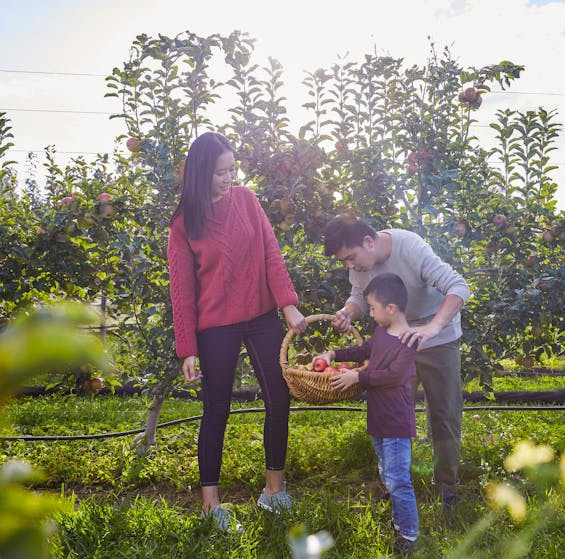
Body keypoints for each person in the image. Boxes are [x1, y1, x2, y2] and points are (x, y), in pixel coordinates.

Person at [167, 131, 307, 531]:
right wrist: (187, 348)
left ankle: (273, 493)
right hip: (216, 326)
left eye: (232, 169)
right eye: (220, 172)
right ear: (200, 173)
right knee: (217, 411)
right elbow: (183, 291)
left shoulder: (247, 200)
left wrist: (288, 304)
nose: (229, 177)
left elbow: (271, 253)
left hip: (262, 315)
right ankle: (212, 507)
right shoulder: (184, 224)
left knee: (279, 398)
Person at [323, 215, 470, 510]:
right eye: (344, 262)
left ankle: (447, 488)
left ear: (368, 241)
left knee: (443, 415)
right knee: (390, 415)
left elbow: (458, 287)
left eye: (351, 257)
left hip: (436, 340)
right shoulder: (359, 266)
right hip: (393, 340)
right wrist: (348, 312)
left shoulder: (410, 247)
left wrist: (432, 327)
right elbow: (359, 297)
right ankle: (395, 483)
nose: (350, 266)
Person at [314, 273, 419, 556]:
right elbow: (363, 350)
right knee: (387, 472)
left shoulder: (409, 341)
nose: (369, 313)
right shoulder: (382, 333)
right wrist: (334, 354)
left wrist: (357, 377)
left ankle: (409, 536)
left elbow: (394, 376)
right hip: (379, 419)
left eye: (372, 308)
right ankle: (398, 519)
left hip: (397, 422)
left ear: (391, 309)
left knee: (399, 479)